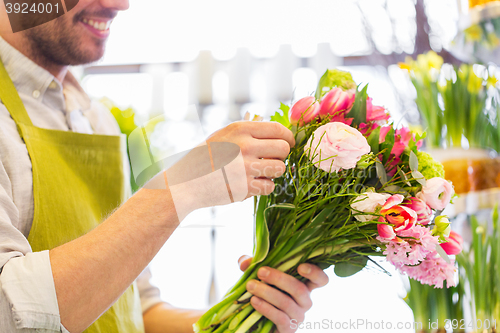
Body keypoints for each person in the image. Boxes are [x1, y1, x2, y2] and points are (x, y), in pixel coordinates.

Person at [0, 0, 330, 332]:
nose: (119, 4)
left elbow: (136, 309)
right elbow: (6, 310)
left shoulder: (95, 119)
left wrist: (244, 313)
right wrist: (182, 186)